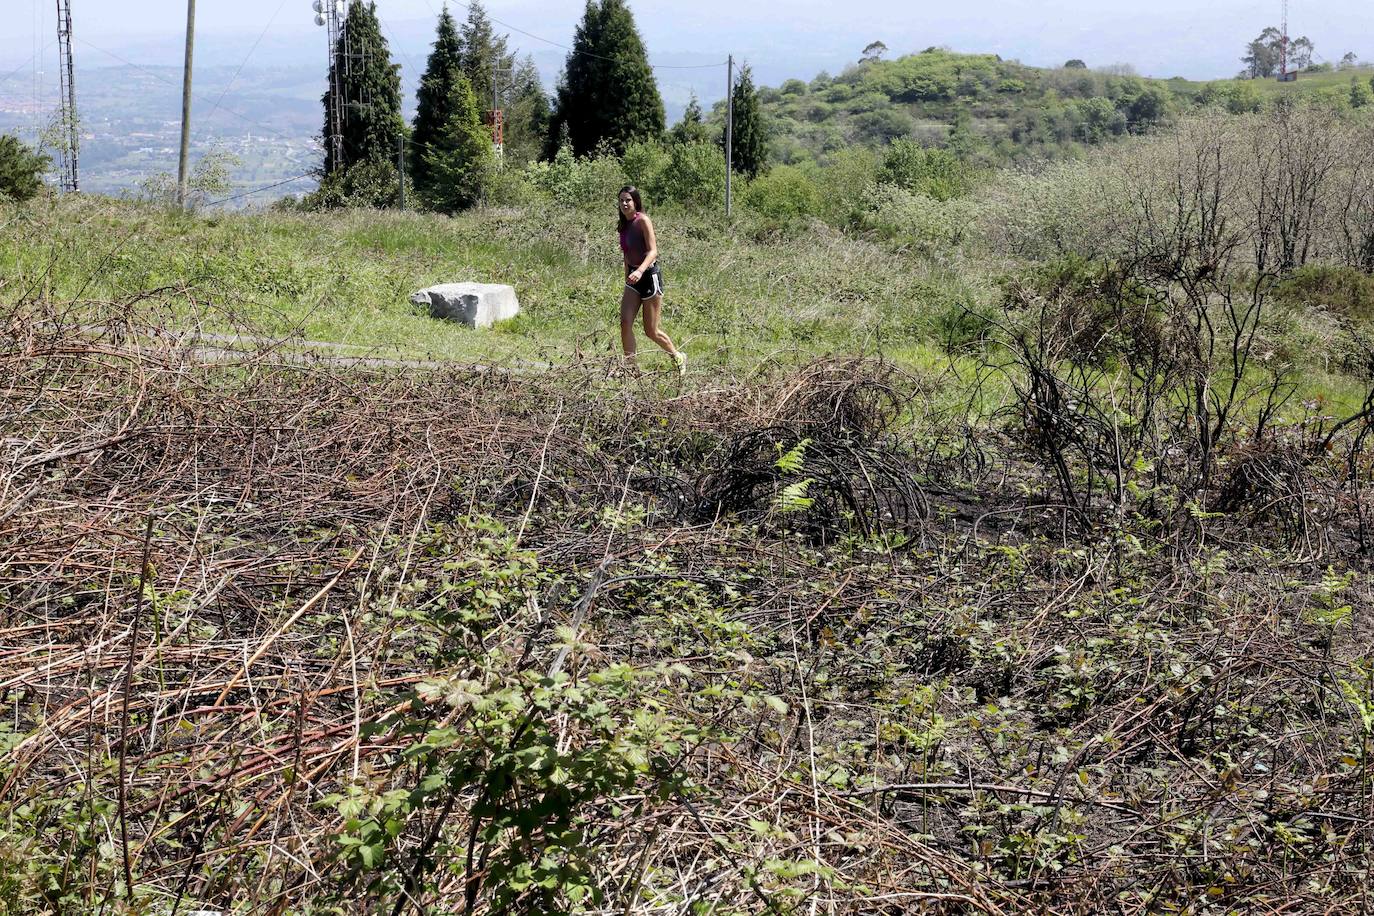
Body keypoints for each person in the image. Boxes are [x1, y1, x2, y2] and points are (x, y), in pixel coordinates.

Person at [617, 185, 686, 373]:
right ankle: (631, 368)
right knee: (625, 323)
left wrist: (639, 271)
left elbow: (653, 251)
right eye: (621, 200)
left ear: (635, 201)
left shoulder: (643, 221)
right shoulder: (623, 225)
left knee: (651, 331)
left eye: (628, 200)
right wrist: (627, 277)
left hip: (649, 277)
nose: (624, 203)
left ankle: (677, 356)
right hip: (633, 280)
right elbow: (626, 254)